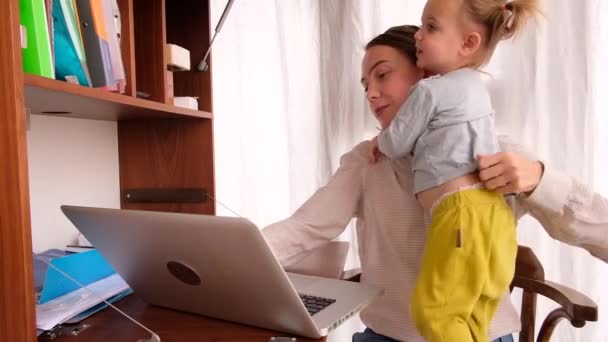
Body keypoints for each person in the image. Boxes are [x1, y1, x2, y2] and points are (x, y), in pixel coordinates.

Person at [262, 25, 608, 342]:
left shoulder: (494, 152)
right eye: (365, 85)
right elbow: (305, 228)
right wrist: (225, 263)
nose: (371, 93)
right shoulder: (366, 162)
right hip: (386, 338)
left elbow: (593, 224)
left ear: (429, 77)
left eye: (382, 75)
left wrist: (539, 180)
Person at [366, 0, 539, 340]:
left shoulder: (430, 90)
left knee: (435, 312)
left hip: (460, 212)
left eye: (430, 27)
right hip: (494, 214)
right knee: (474, 313)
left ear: (468, 43)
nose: (418, 35)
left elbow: (398, 142)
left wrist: (381, 141)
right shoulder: (476, 87)